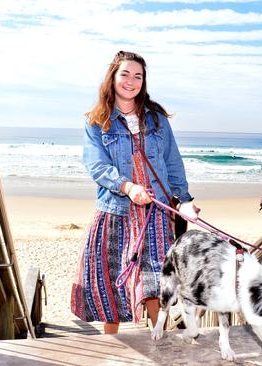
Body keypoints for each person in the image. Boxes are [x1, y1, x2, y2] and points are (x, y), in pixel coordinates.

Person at [71, 51, 198, 334]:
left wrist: (185, 200)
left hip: (155, 211)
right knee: (112, 279)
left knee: (156, 281)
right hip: (116, 211)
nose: (131, 81)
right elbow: (96, 164)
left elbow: (172, 161)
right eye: (125, 74)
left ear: (144, 81)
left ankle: (160, 339)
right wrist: (126, 187)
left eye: (137, 76)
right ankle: (112, 345)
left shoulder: (156, 119)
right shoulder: (97, 121)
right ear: (113, 78)